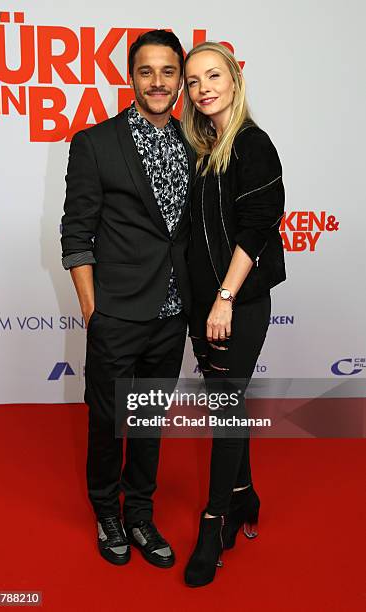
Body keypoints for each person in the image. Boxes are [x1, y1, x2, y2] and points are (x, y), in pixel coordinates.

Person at [61, 30, 195, 568]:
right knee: (106, 418)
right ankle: (107, 512)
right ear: (130, 76)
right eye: (147, 71)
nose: (158, 82)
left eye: (168, 71)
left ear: (179, 78)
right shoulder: (95, 143)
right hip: (116, 313)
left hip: (172, 314)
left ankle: (139, 512)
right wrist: (94, 311)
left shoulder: (196, 143)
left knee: (147, 419)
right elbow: (76, 233)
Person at [182, 42, 286, 586]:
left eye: (213, 75)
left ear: (234, 78)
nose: (204, 88)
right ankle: (245, 496)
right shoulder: (203, 148)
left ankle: (213, 521)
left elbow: (257, 228)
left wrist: (224, 297)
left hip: (237, 303)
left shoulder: (252, 144)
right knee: (228, 402)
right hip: (206, 304)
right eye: (194, 80)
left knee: (223, 408)